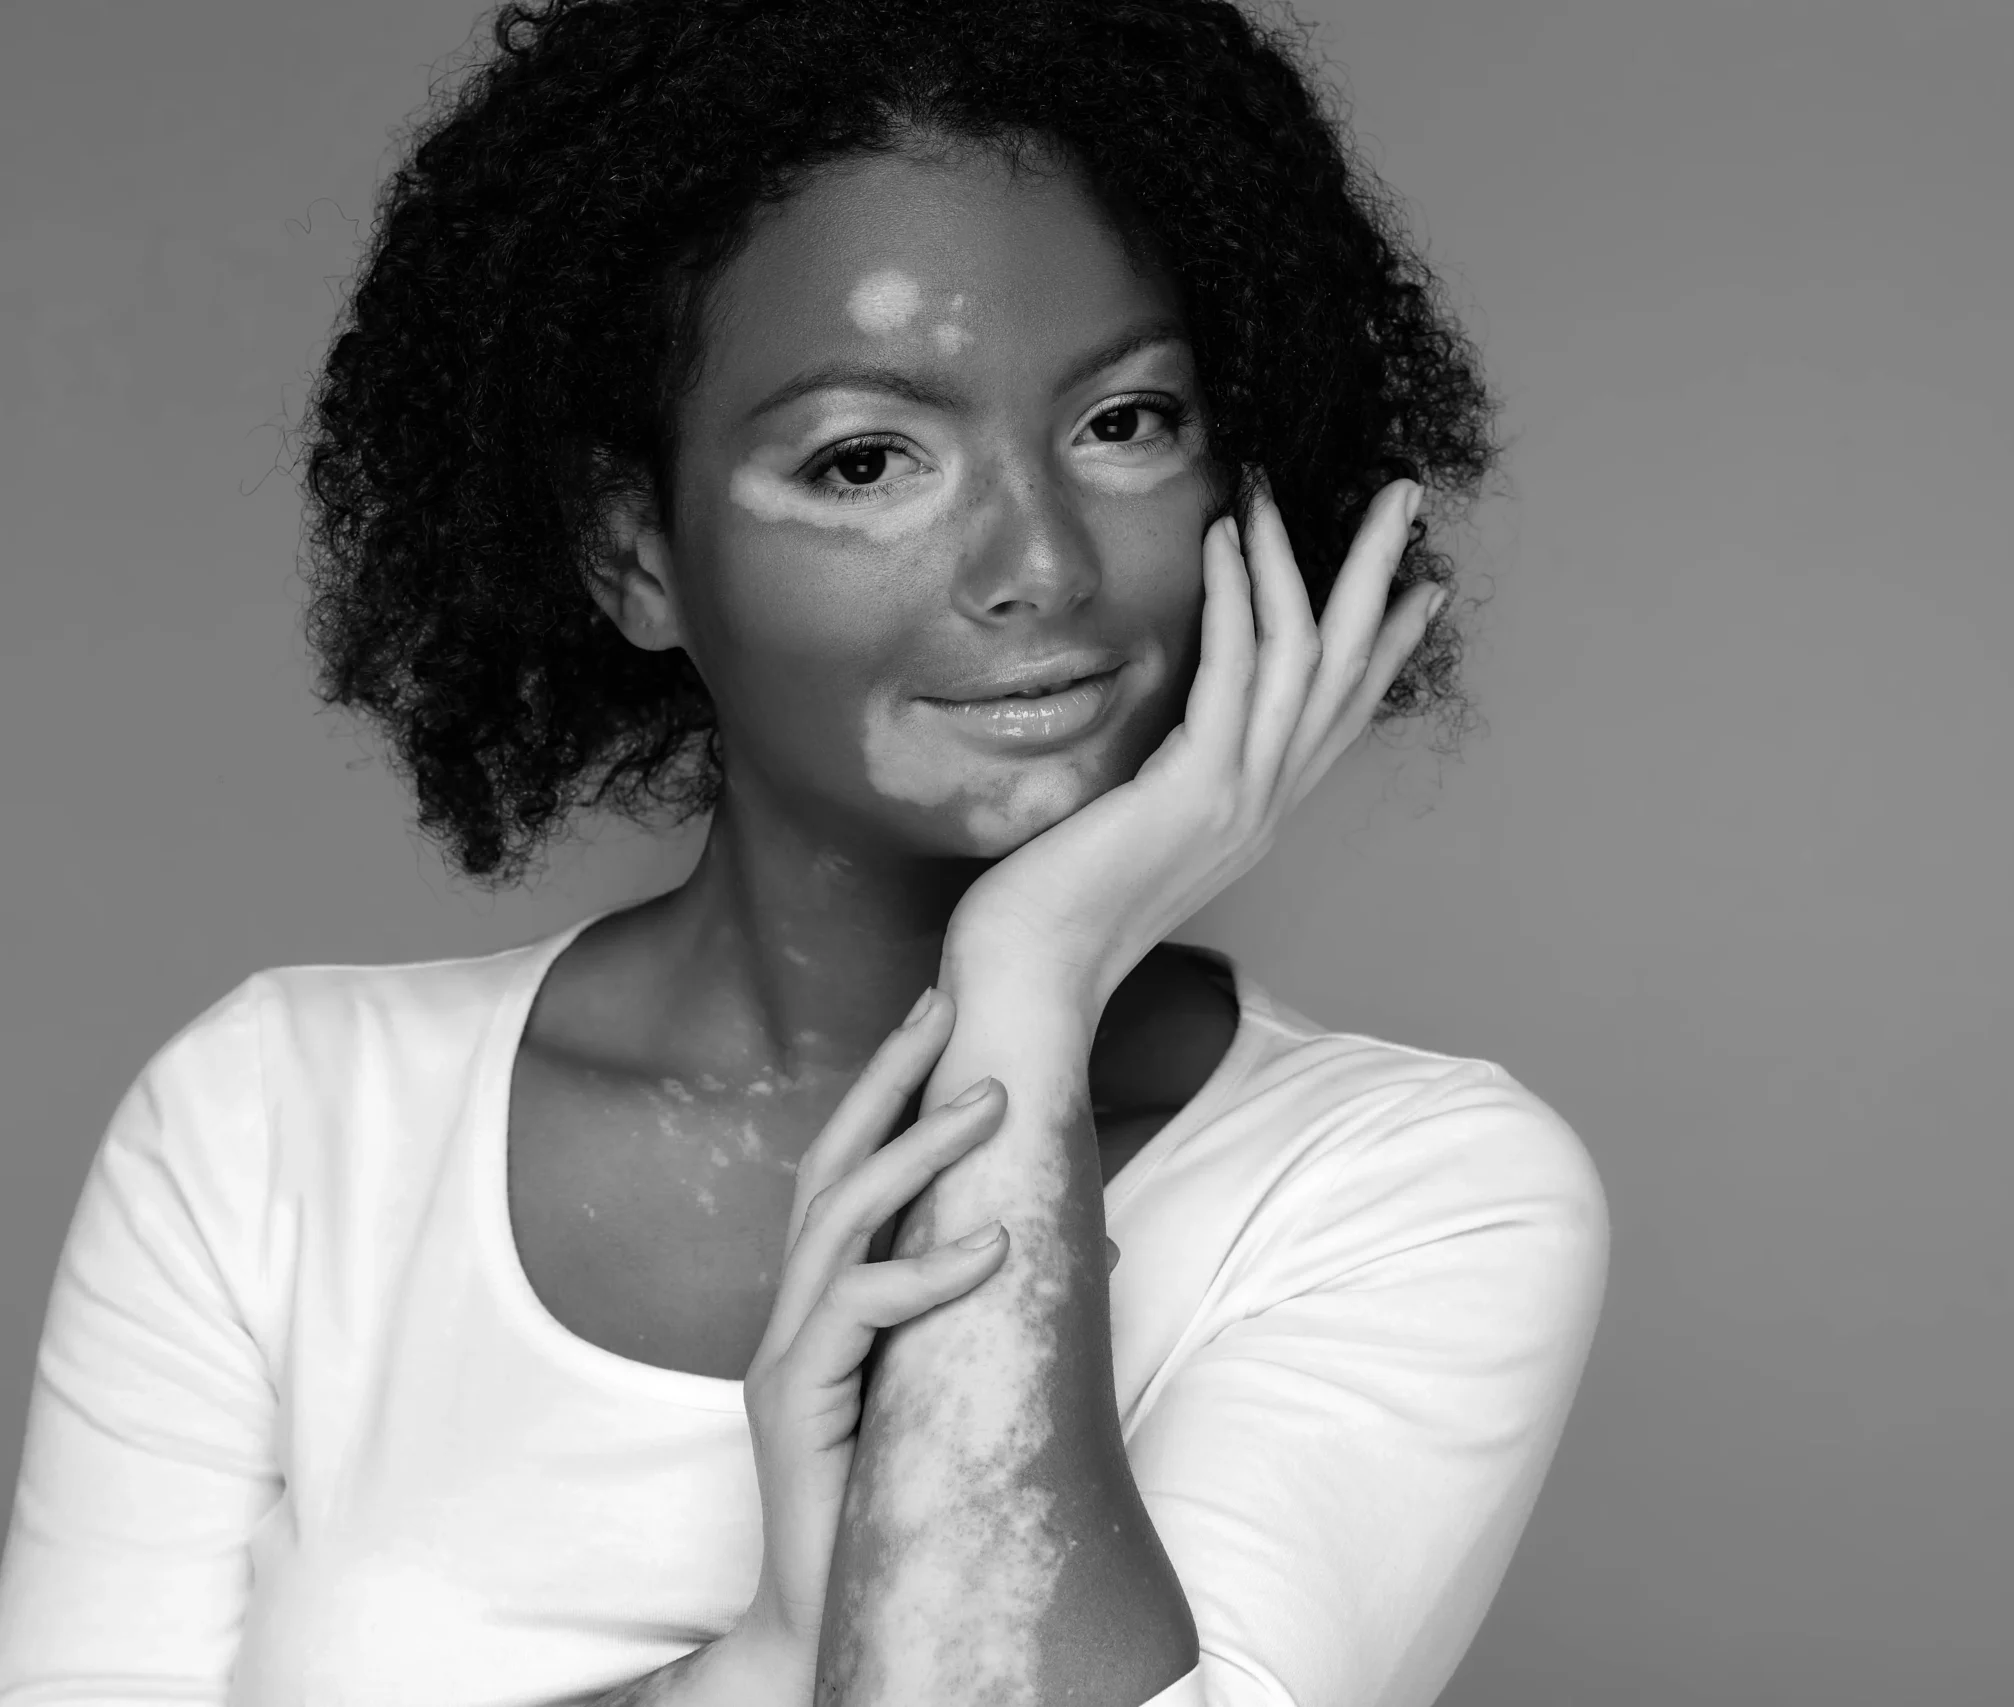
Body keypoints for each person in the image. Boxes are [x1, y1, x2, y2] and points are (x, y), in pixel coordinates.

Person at [0, 1, 1610, 1701]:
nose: (1044, 564)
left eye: (1126, 422)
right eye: (865, 458)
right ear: (635, 554)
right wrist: (773, 1652)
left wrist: (1027, 980)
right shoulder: (274, 1129)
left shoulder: (1411, 1196)